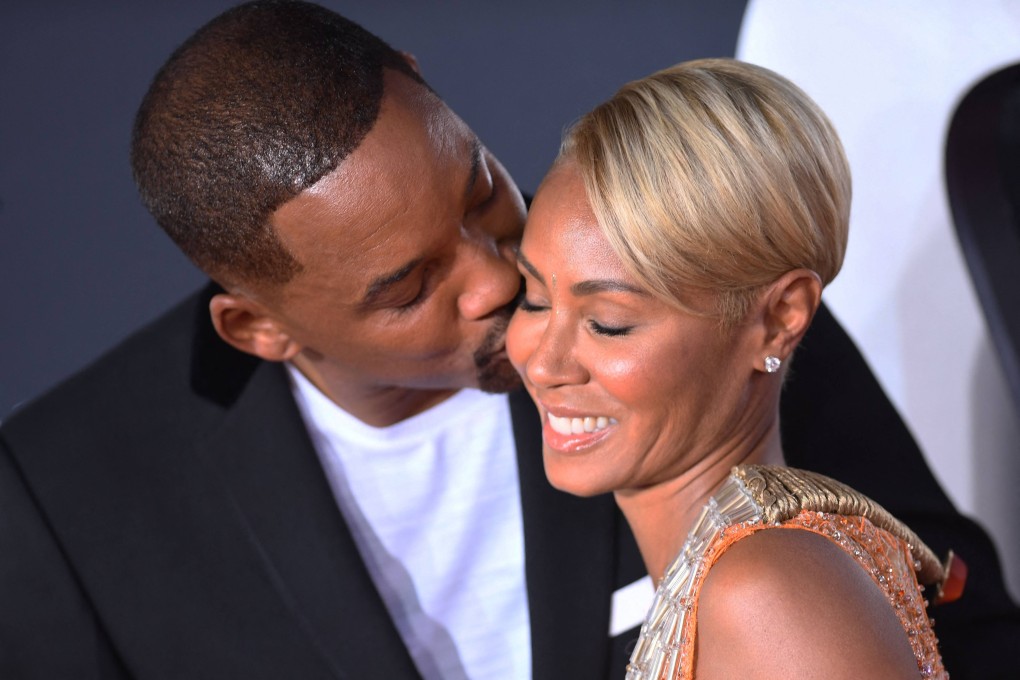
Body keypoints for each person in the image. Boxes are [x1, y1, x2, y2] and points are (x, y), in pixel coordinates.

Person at [0, 2, 1015, 678]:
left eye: (480, 192)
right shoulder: (67, 504)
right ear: (256, 327)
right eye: (411, 289)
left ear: (425, 87)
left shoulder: (689, 277)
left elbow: (953, 619)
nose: (498, 282)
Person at [505, 58, 959, 678]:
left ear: (778, 319)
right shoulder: (747, 578)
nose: (542, 363)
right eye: (534, 299)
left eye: (608, 323)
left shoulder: (770, 595)